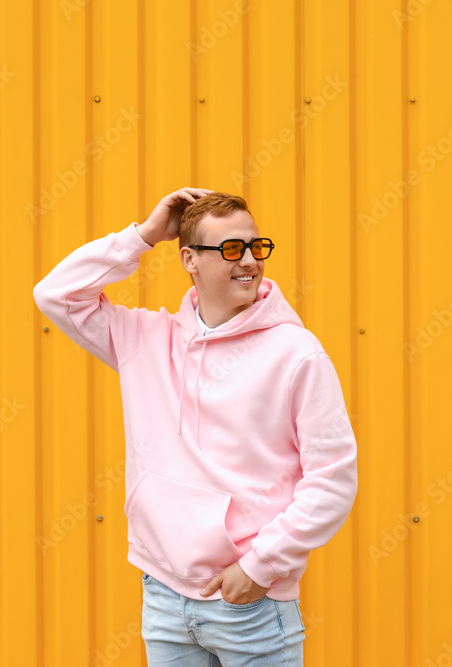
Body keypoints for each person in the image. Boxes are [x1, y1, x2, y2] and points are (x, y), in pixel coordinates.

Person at [32, 187, 359, 666]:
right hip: (162, 595)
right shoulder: (145, 338)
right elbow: (55, 295)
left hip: (251, 605)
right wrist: (142, 237)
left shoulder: (297, 353)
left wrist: (259, 565)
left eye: (255, 246)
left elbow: (333, 478)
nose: (249, 260)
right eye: (230, 249)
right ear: (189, 258)